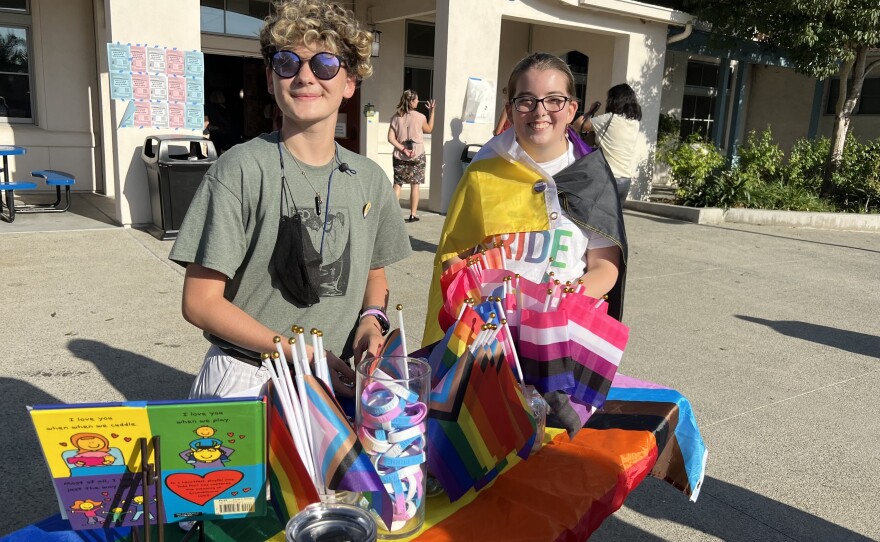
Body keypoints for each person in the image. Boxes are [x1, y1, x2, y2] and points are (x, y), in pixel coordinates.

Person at [170, 0, 412, 401]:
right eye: (287, 62)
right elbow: (200, 302)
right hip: (250, 376)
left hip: (334, 379)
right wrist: (296, 352)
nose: (305, 76)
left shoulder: (369, 178)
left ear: (350, 82)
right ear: (270, 78)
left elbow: (374, 273)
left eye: (325, 64)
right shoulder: (241, 168)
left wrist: (372, 321)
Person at [423, 51, 627, 344]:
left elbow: (605, 267)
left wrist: (554, 304)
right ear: (511, 108)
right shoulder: (483, 174)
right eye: (526, 100)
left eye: (554, 99)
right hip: (490, 335)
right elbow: (454, 256)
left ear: (571, 110)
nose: (540, 111)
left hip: (562, 333)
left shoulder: (592, 177)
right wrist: (480, 308)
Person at [572, 84, 642, 203]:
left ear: (614, 100)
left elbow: (577, 125)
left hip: (608, 179)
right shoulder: (634, 122)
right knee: (615, 219)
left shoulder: (608, 119)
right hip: (625, 180)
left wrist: (591, 110)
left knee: (597, 217)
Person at [387, 90, 435, 222]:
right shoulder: (420, 117)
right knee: (415, 184)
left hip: (400, 155)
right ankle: (413, 214)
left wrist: (403, 149)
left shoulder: (396, 117)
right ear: (412, 101)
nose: (418, 101)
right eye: (417, 100)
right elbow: (429, 129)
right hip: (417, 154)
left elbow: (390, 138)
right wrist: (432, 112)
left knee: (397, 184)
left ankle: (393, 214)